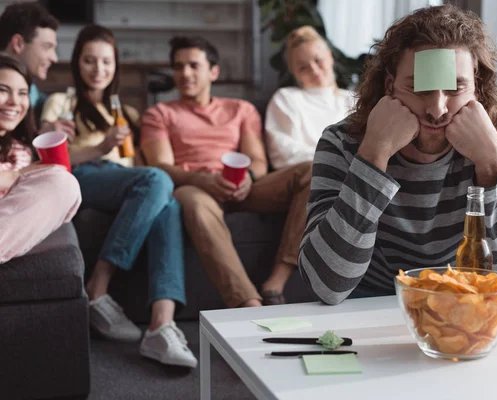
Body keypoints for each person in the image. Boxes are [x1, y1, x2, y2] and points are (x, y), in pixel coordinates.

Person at [298, 5, 497, 305]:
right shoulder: (342, 141)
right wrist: (374, 155)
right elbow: (326, 286)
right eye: (419, 88)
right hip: (363, 302)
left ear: (476, 87)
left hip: (457, 300)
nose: (437, 110)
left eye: (455, 87)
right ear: (390, 86)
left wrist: (491, 164)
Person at [40, 25, 197, 368]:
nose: (98, 70)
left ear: (116, 66)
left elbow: (140, 168)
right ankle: (99, 284)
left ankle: (161, 324)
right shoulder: (61, 104)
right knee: (157, 181)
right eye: (89, 61)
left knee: (166, 202)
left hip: (125, 183)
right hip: (80, 176)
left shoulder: (125, 112)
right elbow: (52, 162)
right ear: (77, 63)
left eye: (106, 62)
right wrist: (99, 145)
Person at [141, 36, 312, 307]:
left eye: (193, 65)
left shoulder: (241, 110)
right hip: (194, 187)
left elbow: (257, 159)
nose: (185, 73)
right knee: (195, 205)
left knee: (313, 171)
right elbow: (161, 167)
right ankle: (247, 303)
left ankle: (276, 282)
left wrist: (249, 178)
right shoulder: (159, 114)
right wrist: (202, 179)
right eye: (178, 66)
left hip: (242, 186)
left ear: (213, 71)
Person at [0, 53, 81, 263]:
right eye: (2, 90)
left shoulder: (21, 151)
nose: (15, 102)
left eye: (23, 93)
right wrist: (15, 176)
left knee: (63, 183)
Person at [265, 26, 354, 170]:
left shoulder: (352, 99)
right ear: (294, 73)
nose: (314, 70)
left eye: (318, 60)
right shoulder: (286, 98)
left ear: (330, 57)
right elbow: (283, 155)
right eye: (303, 68)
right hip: (307, 175)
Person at [0, 1, 75, 138]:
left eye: (22, 93)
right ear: (18, 44)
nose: (54, 58)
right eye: (47, 47)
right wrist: (41, 137)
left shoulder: (37, 98)